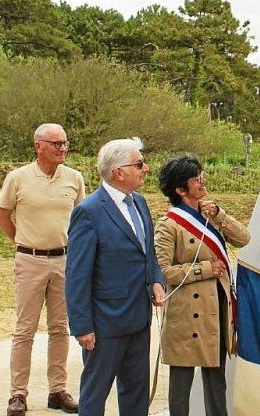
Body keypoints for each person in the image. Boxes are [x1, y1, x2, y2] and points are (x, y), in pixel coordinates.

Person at [65, 137, 166, 416]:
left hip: (138, 317)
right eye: (139, 164)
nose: (145, 168)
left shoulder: (141, 203)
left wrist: (156, 279)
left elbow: (148, 252)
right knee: (95, 394)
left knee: (136, 392)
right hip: (105, 323)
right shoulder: (88, 212)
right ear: (117, 172)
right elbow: (76, 274)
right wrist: (82, 325)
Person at [0, 123, 85, 416]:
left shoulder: (75, 178)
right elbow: (3, 215)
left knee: (60, 328)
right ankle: (18, 394)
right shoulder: (18, 178)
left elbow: (82, 219)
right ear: (38, 146)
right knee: (25, 330)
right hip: (29, 260)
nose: (62, 148)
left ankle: (58, 390)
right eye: (56, 143)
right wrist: (24, 242)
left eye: (64, 143)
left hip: (64, 261)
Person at [154, 155, 251, 416]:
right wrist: (207, 269)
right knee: (181, 385)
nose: (202, 181)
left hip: (215, 309)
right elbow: (165, 272)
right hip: (185, 312)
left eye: (201, 176)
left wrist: (220, 215)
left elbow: (243, 238)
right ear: (180, 189)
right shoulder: (169, 224)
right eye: (196, 178)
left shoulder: (210, 216)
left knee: (216, 382)